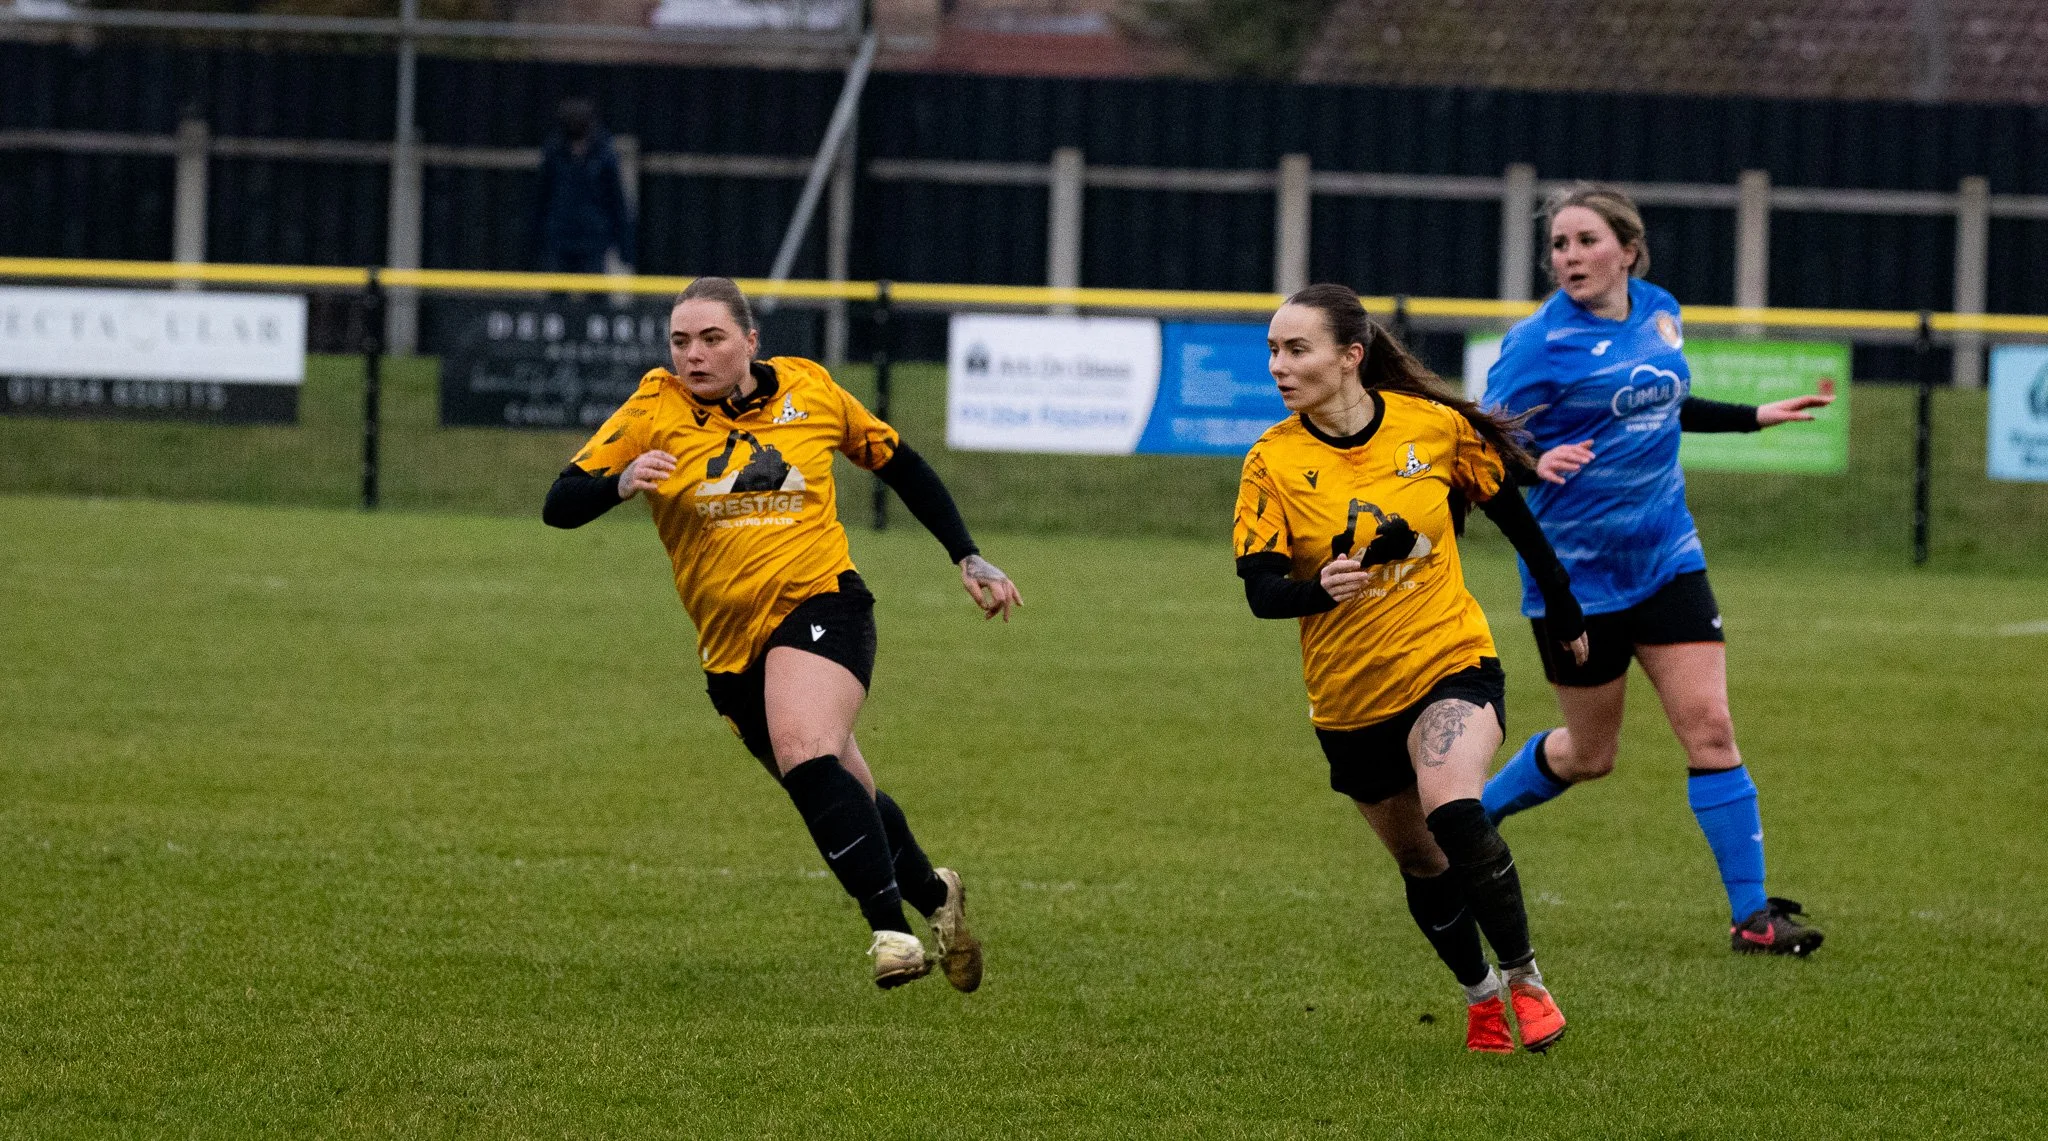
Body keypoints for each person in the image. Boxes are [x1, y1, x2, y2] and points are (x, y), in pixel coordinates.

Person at [542, 276, 1022, 990]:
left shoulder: (811, 391)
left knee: (805, 749)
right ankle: (935, 894)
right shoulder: (653, 408)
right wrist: (620, 481)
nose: (693, 356)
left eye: (711, 339)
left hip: (824, 600)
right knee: (840, 784)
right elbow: (559, 503)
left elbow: (901, 463)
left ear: (750, 340)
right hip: (730, 648)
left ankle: (890, 932)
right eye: (680, 341)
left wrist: (967, 553)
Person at [1234, 283, 1593, 1054]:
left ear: (1350, 356)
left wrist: (1564, 608)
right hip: (1349, 700)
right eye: (1273, 350)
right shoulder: (1271, 460)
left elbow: (1512, 515)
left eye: (1296, 349)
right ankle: (1482, 996)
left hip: (1449, 659)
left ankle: (1527, 981)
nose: (1278, 366)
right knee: (1422, 860)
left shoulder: (1434, 428)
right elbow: (1261, 589)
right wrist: (1315, 588)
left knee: (1453, 805)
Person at [1479, 183, 1834, 957]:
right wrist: (1537, 462)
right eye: (1559, 244)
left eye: (1585, 240)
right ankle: (1470, 820)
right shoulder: (1540, 343)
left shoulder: (1661, 310)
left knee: (1710, 729)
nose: (1569, 256)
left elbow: (1662, 401)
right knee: (1590, 756)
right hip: (1574, 581)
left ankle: (1753, 919)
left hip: (1668, 557)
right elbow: (1480, 445)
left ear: (1628, 251)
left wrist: (1751, 417)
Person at [533, 97, 635, 275]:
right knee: (556, 294)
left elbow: (616, 201)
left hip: (592, 238)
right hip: (560, 237)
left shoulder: (604, 153)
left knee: (595, 296)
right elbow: (540, 198)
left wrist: (624, 249)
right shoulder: (554, 152)